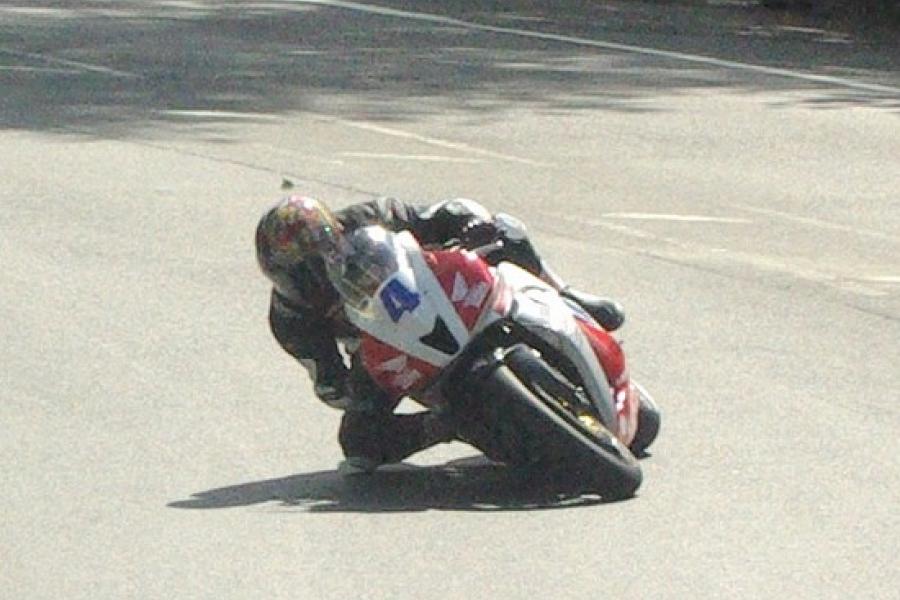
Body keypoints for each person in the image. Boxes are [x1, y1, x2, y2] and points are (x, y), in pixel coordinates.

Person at [255, 195, 626, 474]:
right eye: (302, 273)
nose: (318, 275)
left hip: (435, 294)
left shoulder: (367, 219)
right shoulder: (291, 321)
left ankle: (565, 292)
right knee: (358, 444)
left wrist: (470, 227)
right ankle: (451, 422)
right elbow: (329, 385)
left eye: (321, 259)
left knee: (505, 230)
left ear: (334, 233)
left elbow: (443, 212)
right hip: (385, 350)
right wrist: (352, 386)